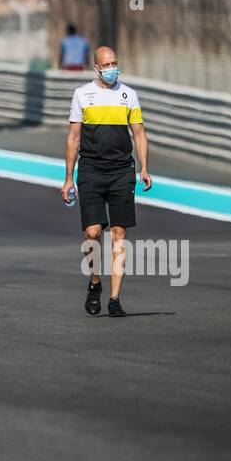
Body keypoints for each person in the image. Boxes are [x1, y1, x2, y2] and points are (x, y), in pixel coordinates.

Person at [60, 46, 152, 317]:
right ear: (96, 68)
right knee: (92, 233)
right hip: (90, 171)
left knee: (119, 234)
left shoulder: (129, 95)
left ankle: (114, 298)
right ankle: (95, 282)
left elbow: (139, 134)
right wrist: (68, 179)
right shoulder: (82, 95)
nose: (112, 68)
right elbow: (73, 138)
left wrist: (144, 168)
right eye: (107, 64)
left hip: (122, 171)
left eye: (115, 63)